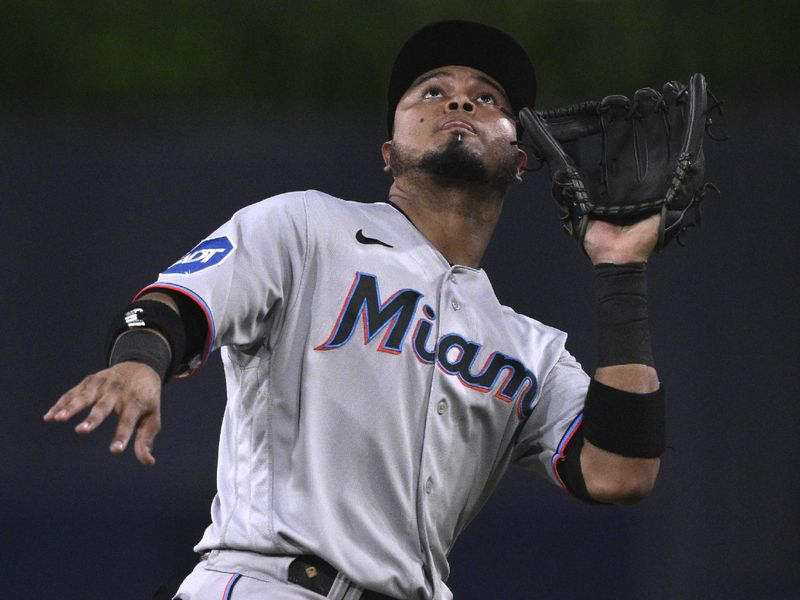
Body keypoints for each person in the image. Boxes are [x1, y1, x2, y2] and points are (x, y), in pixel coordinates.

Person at [44, 20, 665, 600]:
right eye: (431, 91)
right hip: (269, 583)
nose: (459, 102)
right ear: (389, 151)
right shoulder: (310, 228)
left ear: (521, 159)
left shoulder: (531, 350)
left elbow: (618, 473)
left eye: (487, 97)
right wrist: (138, 363)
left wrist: (621, 271)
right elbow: (177, 302)